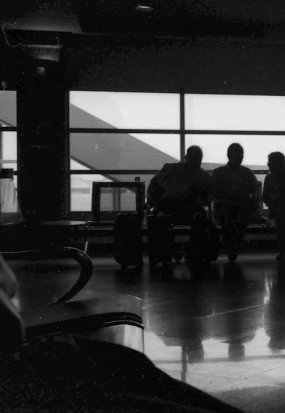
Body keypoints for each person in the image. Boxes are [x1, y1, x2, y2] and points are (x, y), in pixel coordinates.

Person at [0, 253, 242, 412]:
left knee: (129, 368)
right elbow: (9, 312)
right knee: (130, 371)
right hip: (22, 366)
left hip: (20, 361)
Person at [211, 143, 260, 263]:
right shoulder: (247, 173)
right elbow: (255, 189)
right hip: (234, 207)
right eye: (238, 155)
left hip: (229, 206)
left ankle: (231, 247)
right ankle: (234, 246)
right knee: (237, 220)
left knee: (230, 221)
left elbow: (214, 192)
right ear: (229, 156)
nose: (240, 158)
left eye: (241, 155)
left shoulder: (219, 172)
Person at [147, 145, 213, 221]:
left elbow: (153, 185)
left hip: (169, 207)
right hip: (190, 210)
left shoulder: (170, 169)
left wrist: (151, 202)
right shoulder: (204, 177)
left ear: (186, 157)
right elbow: (207, 199)